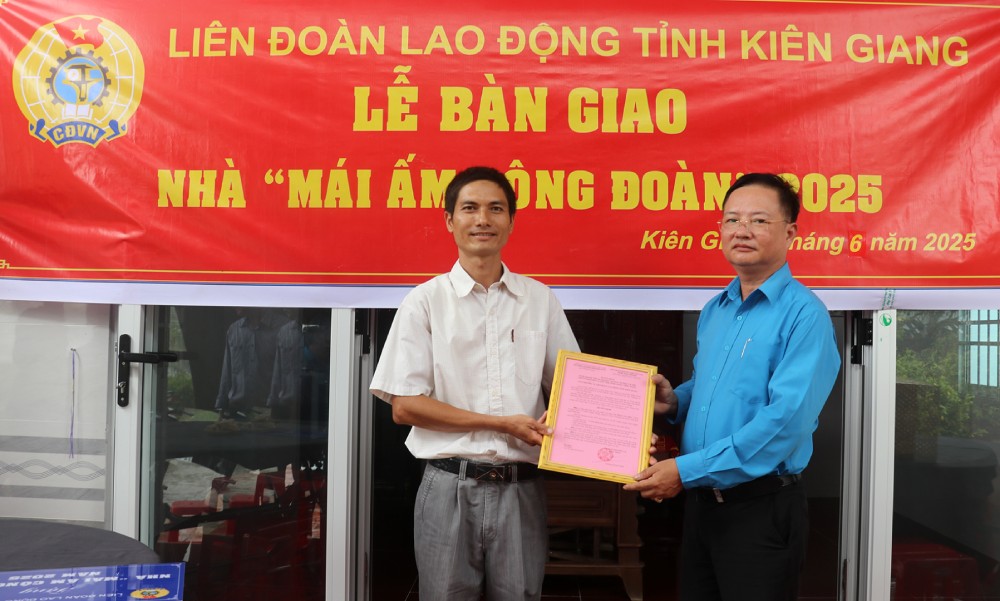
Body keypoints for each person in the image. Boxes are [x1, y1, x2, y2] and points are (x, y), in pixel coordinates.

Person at [624, 172, 841, 601]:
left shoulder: (805, 316)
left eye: (759, 220)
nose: (741, 231)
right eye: (731, 220)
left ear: (790, 233)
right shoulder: (716, 309)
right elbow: (712, 389)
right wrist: (674, 402)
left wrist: (685, 471)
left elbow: (784, 425)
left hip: (760, 510)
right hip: (704, 507)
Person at [370, 165, 579, 601]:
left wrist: (635, 417)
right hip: (447, 487)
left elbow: (576, 391)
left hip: (521, 489)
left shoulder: (539, 299)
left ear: (511, 222)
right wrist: (502, 423)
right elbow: (405, 406)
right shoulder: (424, 302)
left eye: (495, 209)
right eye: (470, 208)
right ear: (449, 221)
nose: (482, 219)